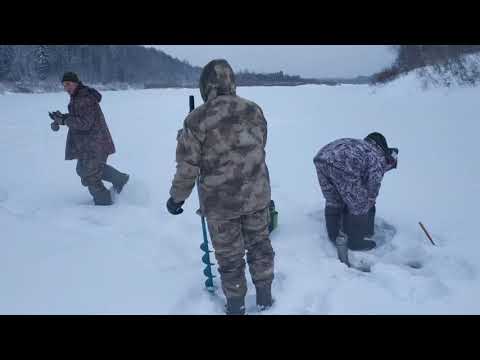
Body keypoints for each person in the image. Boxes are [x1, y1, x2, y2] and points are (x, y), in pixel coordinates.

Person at [166, 59, 275, 315]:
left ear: (206, 85)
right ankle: (265, 298)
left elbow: (187, 166)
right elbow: (261, 145)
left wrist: (176, 199)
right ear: (231, 81)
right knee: (260, 246)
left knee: (229, 257)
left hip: (221, 205)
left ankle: (236, 306)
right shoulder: (254, 110)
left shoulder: (196, 119)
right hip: (257, 196)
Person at [313, 132, 398, 266]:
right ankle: (355, 241)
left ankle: (333, 234)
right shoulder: (377, 156)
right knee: (361, 203)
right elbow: (372, 187)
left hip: (321, 158)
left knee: (333, 198)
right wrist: (369, 203)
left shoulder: (360, 145)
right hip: (344, 164)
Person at [49, 72, 129, 205]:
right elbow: (80, 116)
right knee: (85, 169)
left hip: (96, 143)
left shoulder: (84, 98)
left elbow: (85, 123)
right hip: (88, 144)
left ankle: (104, 204)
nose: (66, 88)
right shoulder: (78, 96)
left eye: (68, 84)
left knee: (89, 173)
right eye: (64, 85)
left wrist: (64, 120)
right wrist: (62, 117)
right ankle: (120, 179)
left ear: (76, 83)